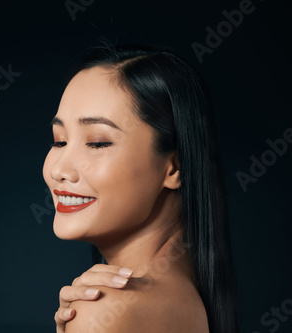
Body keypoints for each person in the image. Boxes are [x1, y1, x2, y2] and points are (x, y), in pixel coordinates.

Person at [43, 42, 240, 333]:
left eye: (97, 142)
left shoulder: (105, 309)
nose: (59, 170)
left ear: (174, 167)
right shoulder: (185, 299)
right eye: (60, 141)